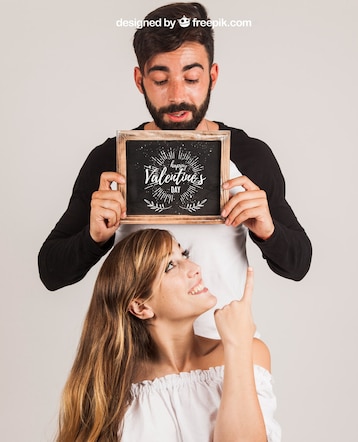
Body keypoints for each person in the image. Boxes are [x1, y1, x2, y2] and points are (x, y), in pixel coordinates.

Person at [38, 2, 312, 338]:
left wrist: (268, 231)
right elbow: (51, 271)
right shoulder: (111, 159)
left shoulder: (248, 155)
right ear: (140, 80)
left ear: (212, 76)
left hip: (226, 357)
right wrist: (94, 237)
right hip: (143, 362)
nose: (178, 95)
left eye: (192, 78)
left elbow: (299, 264)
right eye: (160, 80)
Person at [56, 229, 281, 441]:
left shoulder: (248, 352)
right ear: (140, 307)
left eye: (184, 255)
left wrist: (238, 346)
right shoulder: (113, 388)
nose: (195, 268)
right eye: (170, 266)